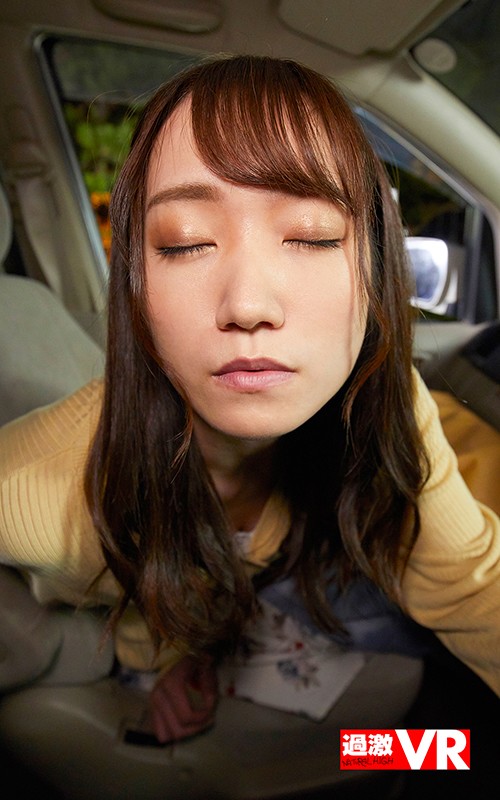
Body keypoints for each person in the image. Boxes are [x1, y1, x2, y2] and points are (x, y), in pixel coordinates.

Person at [0, 54, 499, 745]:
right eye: (186, 244)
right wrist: (145, 659)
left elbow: (473, 586)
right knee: (422, 752)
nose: (248, 304)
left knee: (442, 746)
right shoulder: (31, 489)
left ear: (376, 269)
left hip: (275, 592)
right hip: (183, 636)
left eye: (313, 236)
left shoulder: (387, 402)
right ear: (135, 288)